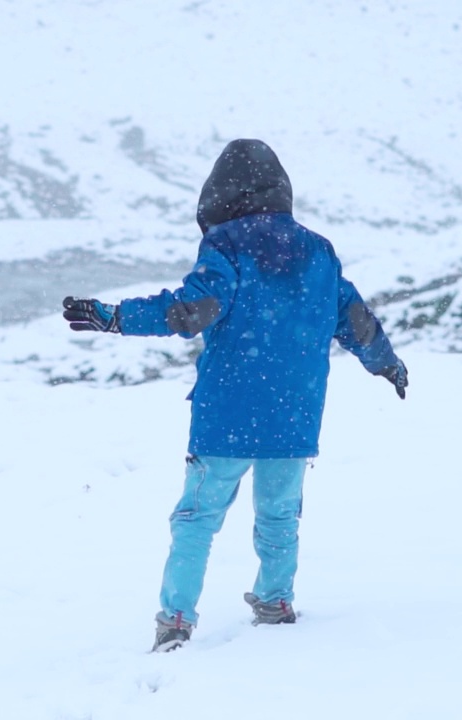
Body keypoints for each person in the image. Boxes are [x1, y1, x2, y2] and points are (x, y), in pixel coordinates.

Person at [62, 139, 407, 652]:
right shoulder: (318, 250)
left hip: (228, 413)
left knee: (197, 518)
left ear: (221, 193)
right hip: (294, 413)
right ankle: (275, 602)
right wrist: (388, 364)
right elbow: (356, 321)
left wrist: (114, 317)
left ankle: (176, 622)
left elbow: (190, 310)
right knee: (279, 515)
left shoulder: (227, 244)